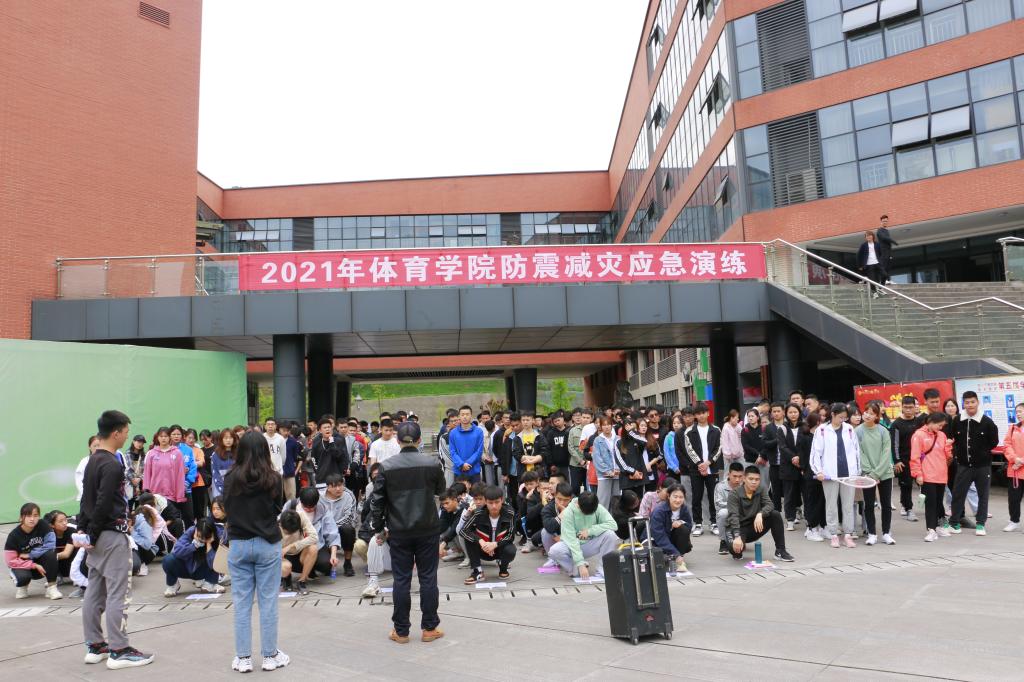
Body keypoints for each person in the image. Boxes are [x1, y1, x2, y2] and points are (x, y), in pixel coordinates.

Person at [78, 410, 154, 668]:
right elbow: (103, 502)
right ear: (116, 433)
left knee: (95, 591)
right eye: (126, 432)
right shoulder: (111, 464)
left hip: (96, 537)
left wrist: (86, 530)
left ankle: (95, 645)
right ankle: (119, 649)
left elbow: (86, 499)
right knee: (118, 594)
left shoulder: (92, 460)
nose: (127, 437)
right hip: (110, 535)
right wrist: (93, 531)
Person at [369, 421, 447, 644]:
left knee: (401, 579)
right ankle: (429, 628)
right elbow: (441, 490)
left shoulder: (386, 466)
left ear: (397, 440)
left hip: (399, 529)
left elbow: (377, 501)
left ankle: (401, 630)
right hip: (427, 527)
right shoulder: (432, 463)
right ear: (420, 440)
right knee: (428, 578)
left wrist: (378, 527)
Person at [224, 431, 288, 672]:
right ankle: (270, 656)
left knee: (241, 603)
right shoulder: (274, 478)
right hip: (267, 542)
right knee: (268, 602)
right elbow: (278, 508)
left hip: (239, 543)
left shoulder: (231, 477)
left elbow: (226, 507)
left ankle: (243, 658)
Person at [810, 403, 862, 549]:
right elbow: (815, 453)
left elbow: (856, 451)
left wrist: (857, 471)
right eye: (840, 417)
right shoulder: (822, 430)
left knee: (848, 505)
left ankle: (848, 535)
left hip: (848, 474)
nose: (842, 420)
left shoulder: (849, 429)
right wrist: (818, 471)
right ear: (832, 415)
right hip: (829, 475)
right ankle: (833, 534)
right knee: (831, 505)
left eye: (845, 418)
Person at [949, 391, 999, 536]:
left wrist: (981, 452)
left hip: (983, 466)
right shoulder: (957, 420)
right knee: (958, 494)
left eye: (972, 402)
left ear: (977, 402)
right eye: (967, 402)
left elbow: (994, 442)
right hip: (963, 465)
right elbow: (953, 439)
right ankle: (954, 523)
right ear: (963, 404)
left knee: (983, 495)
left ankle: (980, 524)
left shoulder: (987, 421)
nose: (970, 405)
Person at [725, 466, 794, 562]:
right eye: (751, 479)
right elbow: (733, 516)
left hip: (754, 527)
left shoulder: (761, 489)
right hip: (738, 528)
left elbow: (770, 504)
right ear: (744, 479)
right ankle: (738, 545)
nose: (754, 482)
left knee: (775, 514)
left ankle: (780, 551)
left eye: (757, 479)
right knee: (736, 551)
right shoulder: (734, 493)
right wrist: (737, 536)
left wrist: (760, 514)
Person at [547, 491, 620, 579]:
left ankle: (602, 571)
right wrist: (580, 563)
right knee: (554, 551)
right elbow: (572, 541)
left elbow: (613, 525)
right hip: (573, 546)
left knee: (610, 535)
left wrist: (590, 531)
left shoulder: (597, 507)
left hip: (590, 543)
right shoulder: (568, 513)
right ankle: (574, 570)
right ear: (578, 504)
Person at [281, 487, 340, 595]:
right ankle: (286, 577)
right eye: (305, 507)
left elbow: (331, 533)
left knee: (321, 557)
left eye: (311, 507)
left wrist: (333, 554)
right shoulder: (291, 507)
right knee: (283, 564)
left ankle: (302, 579)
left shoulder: (322, 509)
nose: (308, 510)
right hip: (287, 549)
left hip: (306, 547)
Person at [856, 403, 896, 545]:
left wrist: (877, 474)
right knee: (868, 504)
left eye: (872, 413)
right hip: (867, 474)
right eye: (866, 412)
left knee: (886, 504)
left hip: (885, 473)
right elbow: (860, 453)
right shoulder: (858, 431)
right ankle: (872, 533)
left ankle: (886, 533)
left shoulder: (883, 431)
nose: (867, 415)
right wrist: (870, 473)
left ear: (877, 416)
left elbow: (886, 453)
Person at [911, 412, 955, 542]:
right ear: (931, 422)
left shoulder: (942, 435)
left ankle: (939, 527)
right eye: (939, 425)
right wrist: (918, 474)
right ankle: (931, 529)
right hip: (927, 475)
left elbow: (947, 455)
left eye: (942, 426)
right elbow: (915, 457)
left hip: (941, 474)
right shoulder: (918, 435)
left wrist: (948, 447)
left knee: (938, 502)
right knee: (930, 503)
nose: (940, 428)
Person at [460, 485, 517, 584]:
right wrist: (481, 541)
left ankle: (503, 568)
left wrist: (495, 544)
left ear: (502, 500)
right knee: (469, 537)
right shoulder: (478, 513)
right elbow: (463, 530)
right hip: (483, 549)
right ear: (485, 502)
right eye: (490, 503)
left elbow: (510, 535)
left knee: (510, 550)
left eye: (497, 502)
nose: (494, 506)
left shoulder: (509, 513)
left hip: (499, 548)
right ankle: (477, 571)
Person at [5, 502, 61, 600]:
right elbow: (10, 561)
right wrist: (33, 565)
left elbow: (51, 545)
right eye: (28, 516)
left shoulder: (43, 525)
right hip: (24, 565)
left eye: (35, 515)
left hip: (41, 564)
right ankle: (22, 586)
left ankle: (51, 588)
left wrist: (31, 555)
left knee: (52, 554)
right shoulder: (14, 536)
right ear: (21, 518)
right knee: (22, 577)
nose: (32, 519)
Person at [683, 402, 722, 537]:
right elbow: (689, 450)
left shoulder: (716, 429)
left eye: (703, 413)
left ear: (708, 413)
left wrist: (709, 462)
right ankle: (698, 523)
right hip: (696, 469)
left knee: (713, 496)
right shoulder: (689, 431)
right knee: (696, 496)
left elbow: (719, 448)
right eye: (698, 414)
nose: (701, 416)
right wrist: (700, 464)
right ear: (695, 416)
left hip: (712, 468)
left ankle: (714, 522)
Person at [162, 518, 225, 596]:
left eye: (205, 537)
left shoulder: (219, 535)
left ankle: (210, 582)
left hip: (203, 569)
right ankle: (173, 584)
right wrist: (194, 545)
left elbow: (215, 564)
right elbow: (177, 551)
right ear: (195, 530)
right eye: (199, 536)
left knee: (216, 559)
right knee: (168, 560)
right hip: (186, 568)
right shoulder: (190, 532)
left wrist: (209, 544)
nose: (202, 540)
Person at [143, 428, 189, 527]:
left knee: (172, 522)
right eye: (161, 436)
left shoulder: (177, 453)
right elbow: (147, 473)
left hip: (171, 496)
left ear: (169, 437)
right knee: (155, 523)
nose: (163, 438)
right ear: (157, 437)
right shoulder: (151, 453)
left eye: (166, 436)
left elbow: (180, 476)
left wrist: (179, 495)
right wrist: (147, 491)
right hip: (155, 495)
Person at [890, 396, 923, 522]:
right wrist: (897, 460)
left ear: (915, 407)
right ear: (902, 407)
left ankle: (924, 507)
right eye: (906, 407)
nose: (908, 410)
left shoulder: (920, 422)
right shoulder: (896, 424)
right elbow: (894, 444)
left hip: (919, 459)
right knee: (906, 485)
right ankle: (909, 509)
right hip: (904, 460)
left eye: (911, 407)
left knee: (923, 484)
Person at [649, 485, 693, 573]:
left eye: (681, 497)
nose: (678, 500)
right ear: (668, 496)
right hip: (656, 540)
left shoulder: (684, 508)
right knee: (658, 558)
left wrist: (681, 522)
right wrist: (675, 554)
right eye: (675, 497)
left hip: (671, 538)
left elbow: (689, 526)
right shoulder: (659, 511)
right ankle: (675, 556)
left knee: (683, 529)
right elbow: (659, 537)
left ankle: (679, 559)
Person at [321, 473, 358, 577]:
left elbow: (350, 517)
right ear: (328, 487)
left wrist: (333, 527)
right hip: (324, 531)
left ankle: (348, 563)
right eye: (334, 486)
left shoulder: (349, 495)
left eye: (340, 485)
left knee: (348, 529)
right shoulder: (319, 497)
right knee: (325, 568)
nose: (338, 489)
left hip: (342, 528)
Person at [778, 403, 804, 531]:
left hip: (803, 465)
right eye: (790, 412)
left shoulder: (805, 427)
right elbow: (782, 447)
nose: (793, 414)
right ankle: (790, 519)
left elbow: (807, 445)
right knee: (789, 494)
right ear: (786, 414)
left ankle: (809, 519)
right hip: (788, 466)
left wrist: (800, 457)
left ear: (799, 412)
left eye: (795, 412)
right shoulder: (782, 428)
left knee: (806, 493)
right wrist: (793, 457)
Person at [448, 405, 485, 484]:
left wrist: (468, 463)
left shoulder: (478, 432)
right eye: (462, 414)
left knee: (476, 491)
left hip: (474, 471)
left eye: (467, 414)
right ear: (459, 416)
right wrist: (461, 464)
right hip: (459, 470)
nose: (465, 417)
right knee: (459, 492)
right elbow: (452, 451)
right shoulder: (453, 433)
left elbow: (479, 451)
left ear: (471, 416)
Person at [1002, 403, 1024, 532]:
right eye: (1017, 412)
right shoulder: (1012, 428)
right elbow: (1007, 445)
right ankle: (1014, 521)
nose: (1018, 414)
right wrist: (1015, 459)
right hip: (1015, 470)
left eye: (1021, 411)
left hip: (1018, 465)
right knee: (1014, 498)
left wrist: (1022, 461)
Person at [714, 463, 745, 554]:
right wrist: (734, 506)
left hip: (743, 512)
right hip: (728, 511)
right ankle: (723, 541)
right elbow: (718, 504)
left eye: (740, 476)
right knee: (722, 513)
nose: (737, 479)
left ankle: (744, 538)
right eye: (734, 476)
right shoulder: (720, 486)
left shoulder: (746, 485)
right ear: (728, 474)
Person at [591, 417, 620, 509]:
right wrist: (607, 471)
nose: (606, 427)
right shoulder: (597, 440)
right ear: (600, 426)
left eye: (608, 424)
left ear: (612, 426)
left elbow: (623, 456)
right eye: (604, 425)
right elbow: (597, 459)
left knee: (616, 502)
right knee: (603, 502)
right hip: (604, 475)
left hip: (618, 473)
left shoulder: (618, 439)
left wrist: (619, 470)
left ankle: (615, 518)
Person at [45, 509, 76, 585]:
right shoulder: (48, 535)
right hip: (57, 564)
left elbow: (66, 554)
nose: (65, 523)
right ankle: (55, 577)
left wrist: (47, 558)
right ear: (52, 525)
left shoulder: (72, 531)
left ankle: (76, 576)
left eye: (65, 520)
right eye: (60, 521)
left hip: (72, 563)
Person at [210, 428, 236, 500]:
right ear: (221, 439)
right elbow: (215, 475)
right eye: (226, 438)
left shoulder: (239, 453)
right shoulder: (215, 455)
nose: (228, 440)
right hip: (220, 490)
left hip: (236, 489)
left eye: (230, 438)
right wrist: (223, 490)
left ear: (234, 439)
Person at [876, 214, 898, 283]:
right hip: (883, 252)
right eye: (883, 221)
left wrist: (890, 254)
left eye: (886, 221)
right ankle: (881, 281)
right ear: (881, 222)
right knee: (883, 267)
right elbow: (884, 238)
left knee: (888, 267)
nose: (885, 222)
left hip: (888, 252)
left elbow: (888, 244)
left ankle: (886, 281)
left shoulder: (887, 231)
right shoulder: (879, 230)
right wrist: (893, 241)